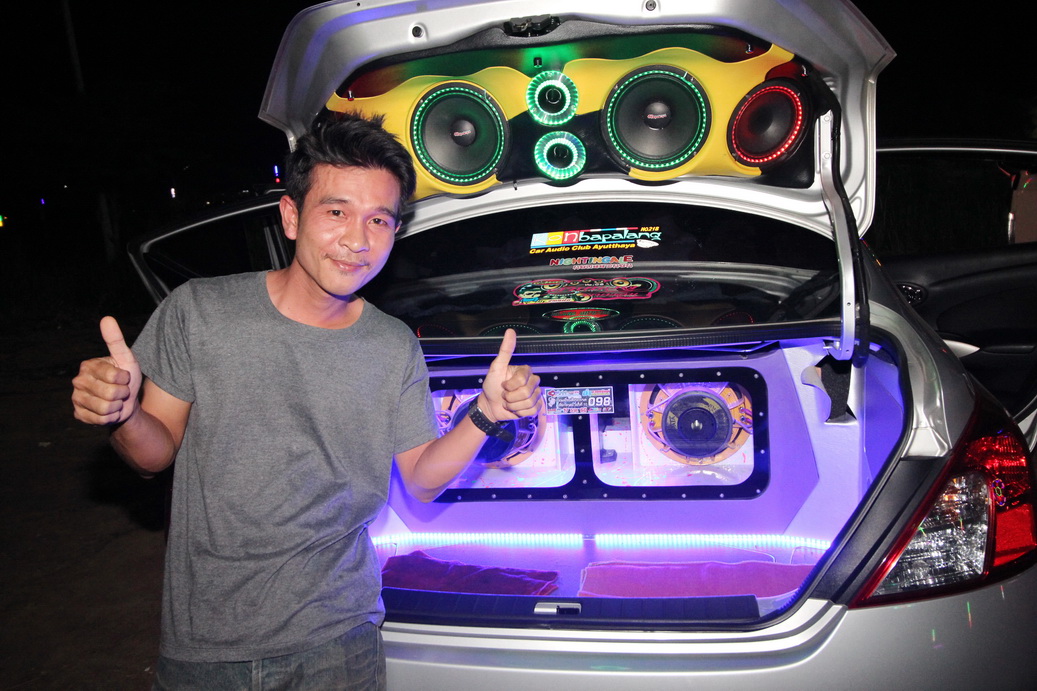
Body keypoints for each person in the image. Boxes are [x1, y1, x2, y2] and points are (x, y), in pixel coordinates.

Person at [71, 113, 542, 689]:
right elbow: (153, 453)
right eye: (336, 212)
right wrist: (123, 415)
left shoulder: (393, 344)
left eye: (378, 220)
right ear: (291, 217)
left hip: (339, 640)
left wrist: (484, 414)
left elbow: (420, 479)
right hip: (209, 639)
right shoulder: (200, 312)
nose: (357, 240)